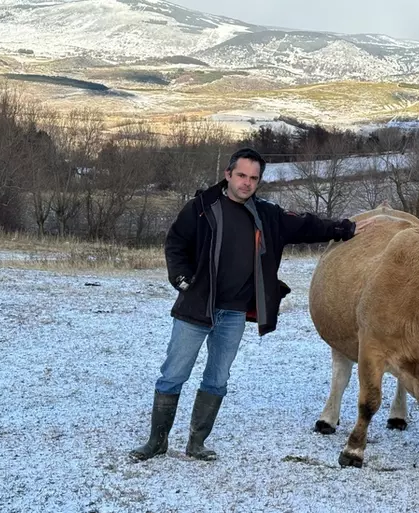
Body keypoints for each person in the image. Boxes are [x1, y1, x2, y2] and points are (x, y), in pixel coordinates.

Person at [130, 147, 373, 462]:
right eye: (241, 175)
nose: (246, 183)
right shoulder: (202, 207)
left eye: (253, 178)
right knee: (174, 374)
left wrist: (345, 228)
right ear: (228, 174)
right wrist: (181, 279)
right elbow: (176, 242)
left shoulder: (266, 214)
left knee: (217, 378)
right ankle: (156, 441)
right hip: (196, 307)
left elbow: (306, 226)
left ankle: (197, 443)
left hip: (233, 311)